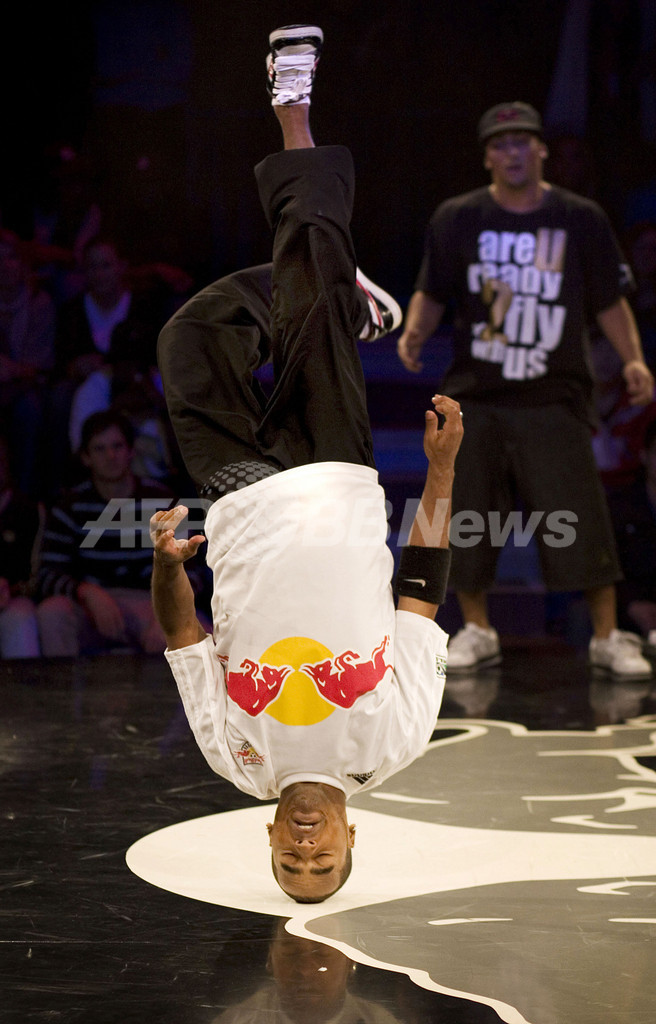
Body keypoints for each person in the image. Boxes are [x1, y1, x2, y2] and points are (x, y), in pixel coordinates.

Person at [149, 25, 461, 904]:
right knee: (313, 247)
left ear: (270, 842)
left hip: (237, 497)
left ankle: (325, 289)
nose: (307, 851)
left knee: (188, 338)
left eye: (291, 864)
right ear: (352, 838)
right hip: (333, 477)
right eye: (323, 864)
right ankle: (295, 103)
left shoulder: (235, 758)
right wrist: (441, 472)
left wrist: (168, 567)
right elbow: (421, 594)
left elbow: (183, 640)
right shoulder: (393, 742)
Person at [397, 100, 655, 678]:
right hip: (478, 393)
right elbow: (432, 287)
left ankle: (607, 637)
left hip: (554, 393)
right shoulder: (458, 216)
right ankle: (478, 630)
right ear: (487, 156)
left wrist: (634, 360)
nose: (512, 152)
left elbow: (609, 299)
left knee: (580, 515)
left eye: (522, 142)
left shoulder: (579, 217)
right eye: (501, 144)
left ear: (541, 150)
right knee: (468, 514)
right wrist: (414, 333)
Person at [35, 410, 180, 657]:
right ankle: (63, 685)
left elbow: (192, 570)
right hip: (90, 604)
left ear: (131, 451)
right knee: (52, 612)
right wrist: (86, 592)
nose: (110, 456)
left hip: (152, 601)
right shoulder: (70, 507)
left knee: (185, 629)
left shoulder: (162, 501)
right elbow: (47, 574)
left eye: (117, 446)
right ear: (86, 457)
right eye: (100, 449)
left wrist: (168, 610)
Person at [606, 418, 656, 655]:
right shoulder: (618, 507)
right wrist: (631, 605)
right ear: (645, 456)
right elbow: (605, 565)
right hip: (627, 613)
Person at [0, 434, 44, 658]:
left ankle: (25, 684)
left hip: (12, 600)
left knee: (20, 619)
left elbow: (36, 577)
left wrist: (8, 590)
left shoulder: (29, 511)